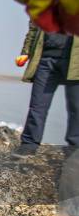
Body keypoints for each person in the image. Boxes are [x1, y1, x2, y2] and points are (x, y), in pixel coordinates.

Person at [13, 21, 78, 157]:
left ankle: (75, 146)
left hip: (75, 59)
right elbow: (33, 27)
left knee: (76, 106)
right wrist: (26, 51)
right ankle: (29, 144)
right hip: (45, 58)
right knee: (37, 105)